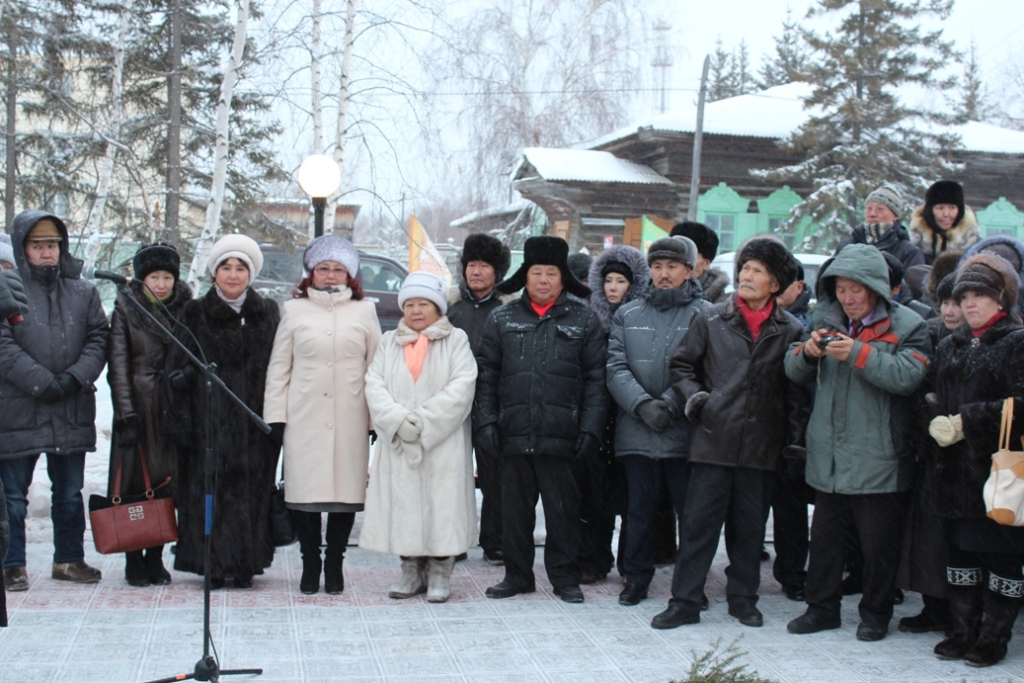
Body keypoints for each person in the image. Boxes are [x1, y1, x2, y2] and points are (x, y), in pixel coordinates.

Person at [652, 237, 806, 630]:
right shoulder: (711, 319)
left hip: (761, 446)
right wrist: (698, 400)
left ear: (775, 284)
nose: (747, 276)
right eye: (746, 268)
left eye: (758, 271)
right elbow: (682, 367)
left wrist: (792, 441)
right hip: (713, 440)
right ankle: (684, 601)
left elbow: (795, 392)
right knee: (699, 529)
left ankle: (743, 599)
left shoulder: (790, 329)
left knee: (750, 532)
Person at [785, 244, 931, 641]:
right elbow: (791, 367)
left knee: (877, 546)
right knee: (826, 541)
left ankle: (876, 613)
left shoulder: (910, 324)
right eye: (841, 289)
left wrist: (859, 354)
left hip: (879, 455)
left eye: (857, 290)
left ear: (877, 289)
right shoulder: (824, 318)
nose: (848, 298)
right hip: (828, 453)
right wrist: (807, 352)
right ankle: (821, 609)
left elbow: (907, 377)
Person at [475, 235, 606, 604]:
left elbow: (597, 380)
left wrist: (590, 428)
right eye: (537, 272)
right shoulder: (502, 318)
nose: (544, 280)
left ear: (564, 278)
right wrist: (486, 422)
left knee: (563, 513)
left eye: (552, 273)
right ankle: (517, 576)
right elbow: (485, 375)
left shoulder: (584, 319)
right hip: (512, 433)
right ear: (526, 276)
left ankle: (565, 578)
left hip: (563, 435)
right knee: (514, 513)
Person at [263, 235, 381, 595]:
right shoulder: (294, 311)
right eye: (323, 268)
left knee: (345, 493)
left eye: (338, 269)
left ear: (350, 275)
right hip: (304, 416)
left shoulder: (365, 312)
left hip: (351, 415)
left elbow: (377, 367)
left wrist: (376, 418)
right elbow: (279, 367)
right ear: (311, 273)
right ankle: (310, 561)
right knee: (306, 493)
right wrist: (276, 416)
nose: (331, 275)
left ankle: (335, 563)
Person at [0, 210, 109, 592]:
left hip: (70, 405)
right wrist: (42, 382)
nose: (47, 254)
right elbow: (3, 346)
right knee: (13, 496)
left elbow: (99, 337)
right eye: (38, 246)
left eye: (53, 246)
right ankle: (11, 565)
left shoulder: (83, 291)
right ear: (22, 248)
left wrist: (75, 377)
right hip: (18, 408)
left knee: (68, 492)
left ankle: (69, 559)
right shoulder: (7, 289)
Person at [165, 234, 280, 588]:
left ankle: (247, 561)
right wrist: (183, 410)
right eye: (226, 267)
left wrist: (275, 420)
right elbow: (175, 366)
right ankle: (209, 563)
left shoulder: (267, 313)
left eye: (240, 268)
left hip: (253, 423)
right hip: (207, 424)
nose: (233, 275)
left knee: (251, 492)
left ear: (251, 273)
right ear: (215, 273)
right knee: (207, 492)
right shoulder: (195, 312)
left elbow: (279, 367)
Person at [925, 253, 1024, 667]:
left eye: (979, 294)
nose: (969, 303)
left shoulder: (1018, 341)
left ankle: (993, 638)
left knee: (1001, 556)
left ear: (1001, 298)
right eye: (964, 294)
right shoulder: (950, 344)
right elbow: (932, 395)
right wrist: (931, 416)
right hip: (952, 471)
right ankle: (963, 630)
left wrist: (969, 421)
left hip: (998, 471)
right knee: (960, 555)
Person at [361, 272, 477, 603]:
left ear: (437, 308)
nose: (415, 310)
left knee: (442, 506)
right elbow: (375, 385)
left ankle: (441, 571)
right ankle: (410, 570)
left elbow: (462, 386)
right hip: (399, 442)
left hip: (443, 443)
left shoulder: (456, 340)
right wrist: (398, 421)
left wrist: (423, 424)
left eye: (423, 303)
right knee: (405, 505)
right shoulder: (389, 342)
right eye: (409, 304)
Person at [606, 236, 707, 607]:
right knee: (639, 511)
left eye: (673, 267)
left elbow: (705, 370)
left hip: (685, 432)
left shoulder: (707, 314)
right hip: (637, 428)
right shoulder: (628, 313)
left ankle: (691, 584)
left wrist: (668, 402)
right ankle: (636, 577)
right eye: (658, 266)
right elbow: (614, 366)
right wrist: (642, 404)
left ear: (689, 270)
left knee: (690, 514)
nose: (664, 274)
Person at [106, 243, 192, 587]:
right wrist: (126, 414)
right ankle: (132, 557)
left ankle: (155, 556)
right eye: (154, 276)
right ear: (141, 279)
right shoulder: (126, 309)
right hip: (138, 409)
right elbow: (119, 364)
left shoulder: (185, 309)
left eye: (166, 276)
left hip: (172, 408)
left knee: (166, 485)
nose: (160, 283)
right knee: (133, 485)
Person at [446, 233, 513, 566]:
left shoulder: (508, 308)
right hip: (453, 401)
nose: (476, 272)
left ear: (497, 272)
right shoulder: (449, 306)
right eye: (471, 264)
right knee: (453, 473)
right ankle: (453, 539)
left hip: (494, 402)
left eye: (484, 265)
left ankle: (495, 541)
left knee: (494, 475)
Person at [587, 245, 651, 582]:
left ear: (635, 283)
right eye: (608, 280)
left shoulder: (644, 317)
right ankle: (595, 560)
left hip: (632, 414)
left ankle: (631, 565)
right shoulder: (589, 317)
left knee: (632, 498)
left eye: (621, 280)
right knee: (595, 494)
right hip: (599, 418)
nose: (613, 287)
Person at [836, 184, 925, 271]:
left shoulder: (909, 252)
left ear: (896, 215)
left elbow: (912, 284)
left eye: (880, 209)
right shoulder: (846, 246)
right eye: (869, 208)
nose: (872, 214)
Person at [909, 180, 979, 265]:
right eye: (940, 208)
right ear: (930, 211)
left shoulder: (976, 248)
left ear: (960, 211)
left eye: (952, 208)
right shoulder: (912, 248)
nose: (946, 214)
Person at [671, 221, 729, 303]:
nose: (679, 261)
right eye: (674, 254)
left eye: (689, 256)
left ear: (706, 263)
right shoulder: (653, 294)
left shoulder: (720, 306)